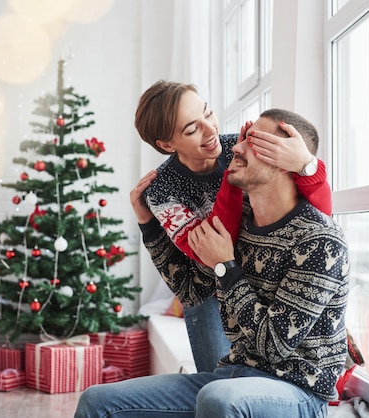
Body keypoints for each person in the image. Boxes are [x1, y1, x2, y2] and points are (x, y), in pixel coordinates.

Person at [74, 109, 350, 418]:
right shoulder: (236, 225)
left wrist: (225, 266)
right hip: (230, 377)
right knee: (95, 402)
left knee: (218, 399)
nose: (234, 146)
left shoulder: (321, 240)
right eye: (243, 138)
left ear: (286, 159)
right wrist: (148, 225)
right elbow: (191, 291)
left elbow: (273, 346)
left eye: (253, 141)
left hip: (296, 392)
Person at [134, 80, 331, 372]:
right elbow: (210, 250)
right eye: (191, 129)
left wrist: (306, 163)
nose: (211, 129)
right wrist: (235, 176)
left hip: (263, 279)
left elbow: (316, 214)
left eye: (208, 113)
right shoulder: (162, 191)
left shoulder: (238, 146)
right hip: (210, 291)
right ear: (166, 144)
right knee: (218, 383)